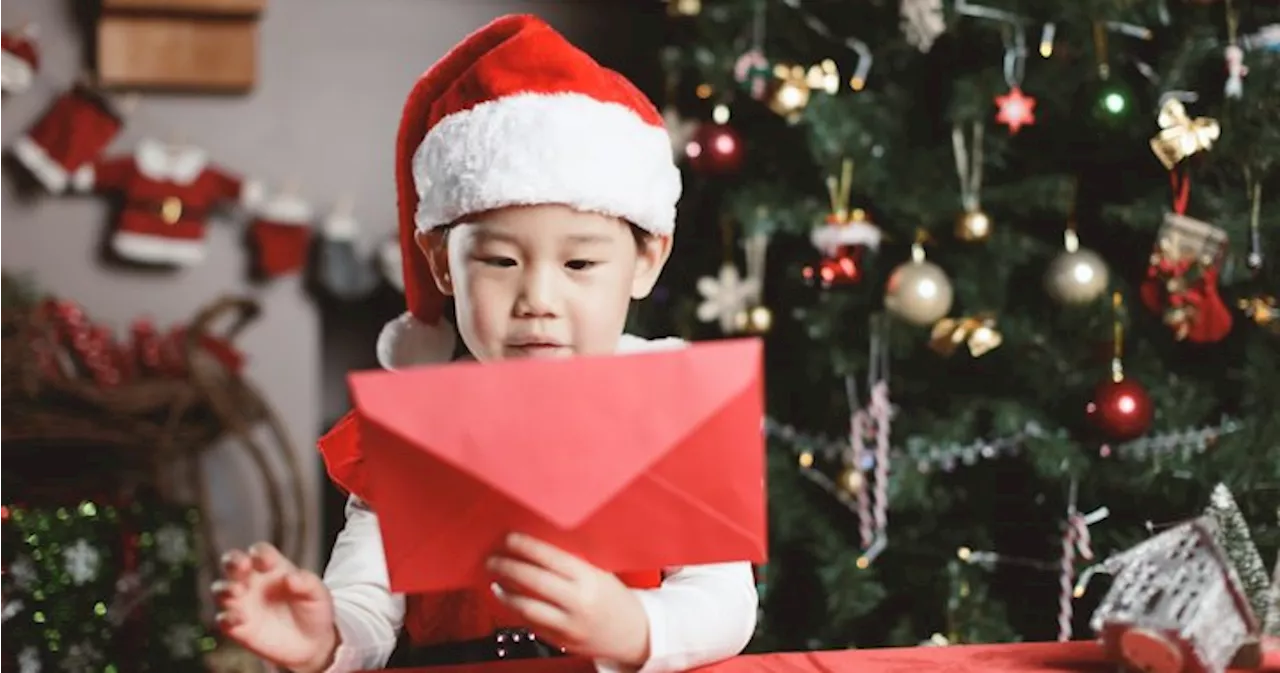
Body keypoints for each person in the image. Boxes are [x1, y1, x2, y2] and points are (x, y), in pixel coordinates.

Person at [211, 13, 759, 673]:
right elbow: (366, 600)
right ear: (442, 263)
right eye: (500, 262)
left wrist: (633, 624)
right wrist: (325, 636)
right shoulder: (417, 434)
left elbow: (725, 602)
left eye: (579, 265)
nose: (538, 299)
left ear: (646, 261)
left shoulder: (675, 407)